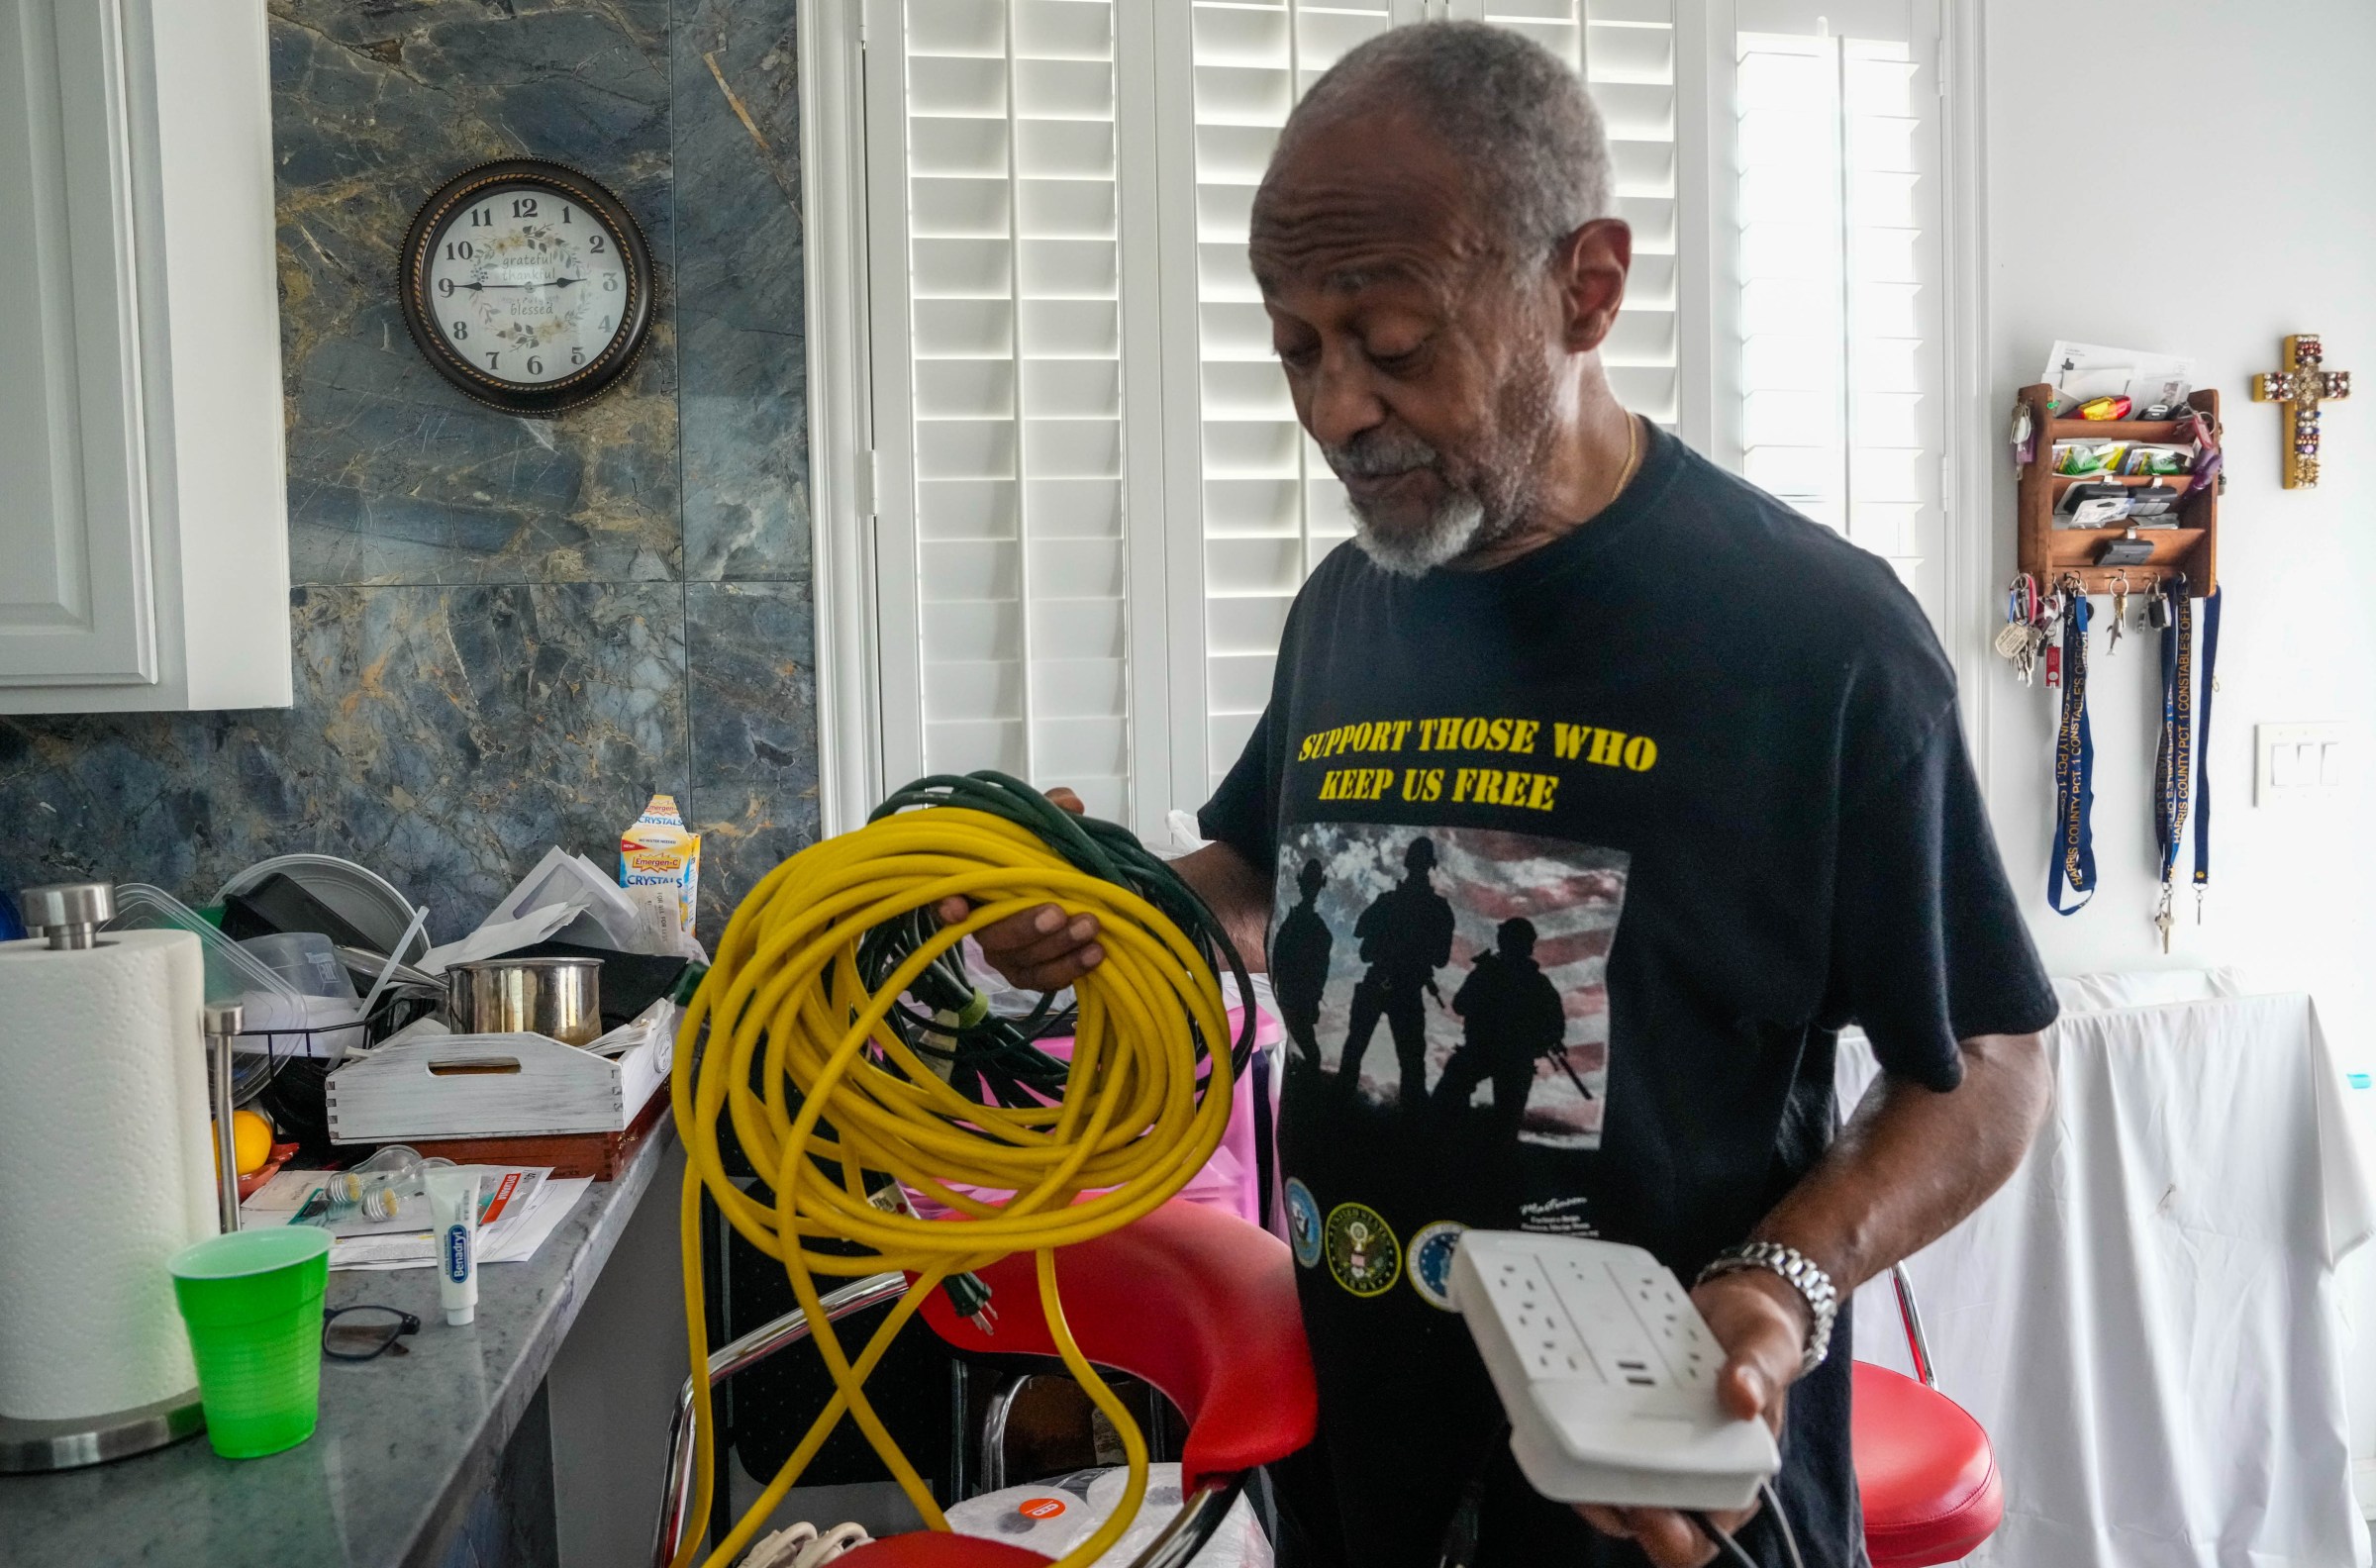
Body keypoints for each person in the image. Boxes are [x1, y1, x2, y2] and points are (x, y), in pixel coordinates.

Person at [940, 22, 2055, 1568]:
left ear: (1587, 286)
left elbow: (1990, 1064)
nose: (1335, 410)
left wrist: (1781, 1282)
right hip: (1358, 1464)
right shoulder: (1352, 602)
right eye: (1297, 352)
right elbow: (1269, 880)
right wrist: (1098, 904)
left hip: (1658, 1486)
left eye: (1392, 345)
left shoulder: (1822, 643)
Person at [1339, 835, 1454, 1102]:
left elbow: (1361, 932)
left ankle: (1342, 1109)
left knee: (1395, 1058)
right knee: (1407, 1062)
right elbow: (1440, 959)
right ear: (1429, 865)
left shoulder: (1393, 902)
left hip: (1392, 984)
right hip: (1398, 986)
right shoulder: (1433, 908)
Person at [1436, 916, 1567, 1136]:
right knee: (1505, 1124)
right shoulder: (1537, 983)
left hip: (1490, 1053)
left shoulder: (1488, 972)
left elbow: (1460, 1005)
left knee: (1452, 1099)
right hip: (1506, 1057)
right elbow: (1555, 1026)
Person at [1271, 858, 1335, 1067]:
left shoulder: (1318, 929)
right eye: (1309, 883)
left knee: (1307, 1054)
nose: (1310, 888)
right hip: (1289, 997)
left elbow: (1319, 971)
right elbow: (1278, 960)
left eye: (1313, 883)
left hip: (1298, 999)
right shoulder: (1295, 924)